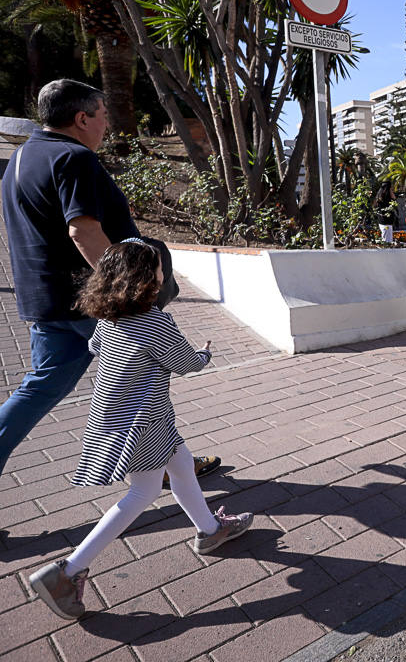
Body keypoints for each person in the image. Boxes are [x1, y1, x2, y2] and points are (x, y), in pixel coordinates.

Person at [0, 79, 218, 484]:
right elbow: (83, 231)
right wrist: (126, 296)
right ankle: (163, 465)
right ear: (81, 118)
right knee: (147, 379)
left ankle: (169, 463)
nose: (107, 126)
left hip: (45, 299)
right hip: (91, 300)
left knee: (40, 390)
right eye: (102, 116)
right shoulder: (74, 157)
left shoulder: (21, 158)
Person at [27, 240, 253, 620]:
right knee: (144, 490)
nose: (163, 273)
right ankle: (66, 573)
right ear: (148, 278)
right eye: (158, 267)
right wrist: (205, 354)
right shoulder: (155, 320)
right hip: (143, 421)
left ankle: (210, 530)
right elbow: (185, 363)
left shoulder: (108, 316)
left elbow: (98, 348)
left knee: (181, 462)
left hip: (118, 414)